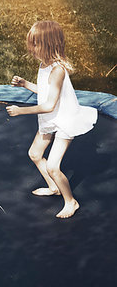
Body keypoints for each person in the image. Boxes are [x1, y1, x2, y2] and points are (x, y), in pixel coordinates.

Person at [6, 20, 97, 219]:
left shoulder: (58, 70)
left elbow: (49, 105)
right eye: (32, 44)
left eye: (36, 44)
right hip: (50, 118)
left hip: (64, 119)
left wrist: (21, 111)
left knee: (53, 166)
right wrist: (25, 84)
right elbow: (46, 93)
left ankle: (70, 201)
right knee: (35, 153)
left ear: (50, 45)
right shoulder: (44, 65)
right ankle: (53, 187)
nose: (32, 49)